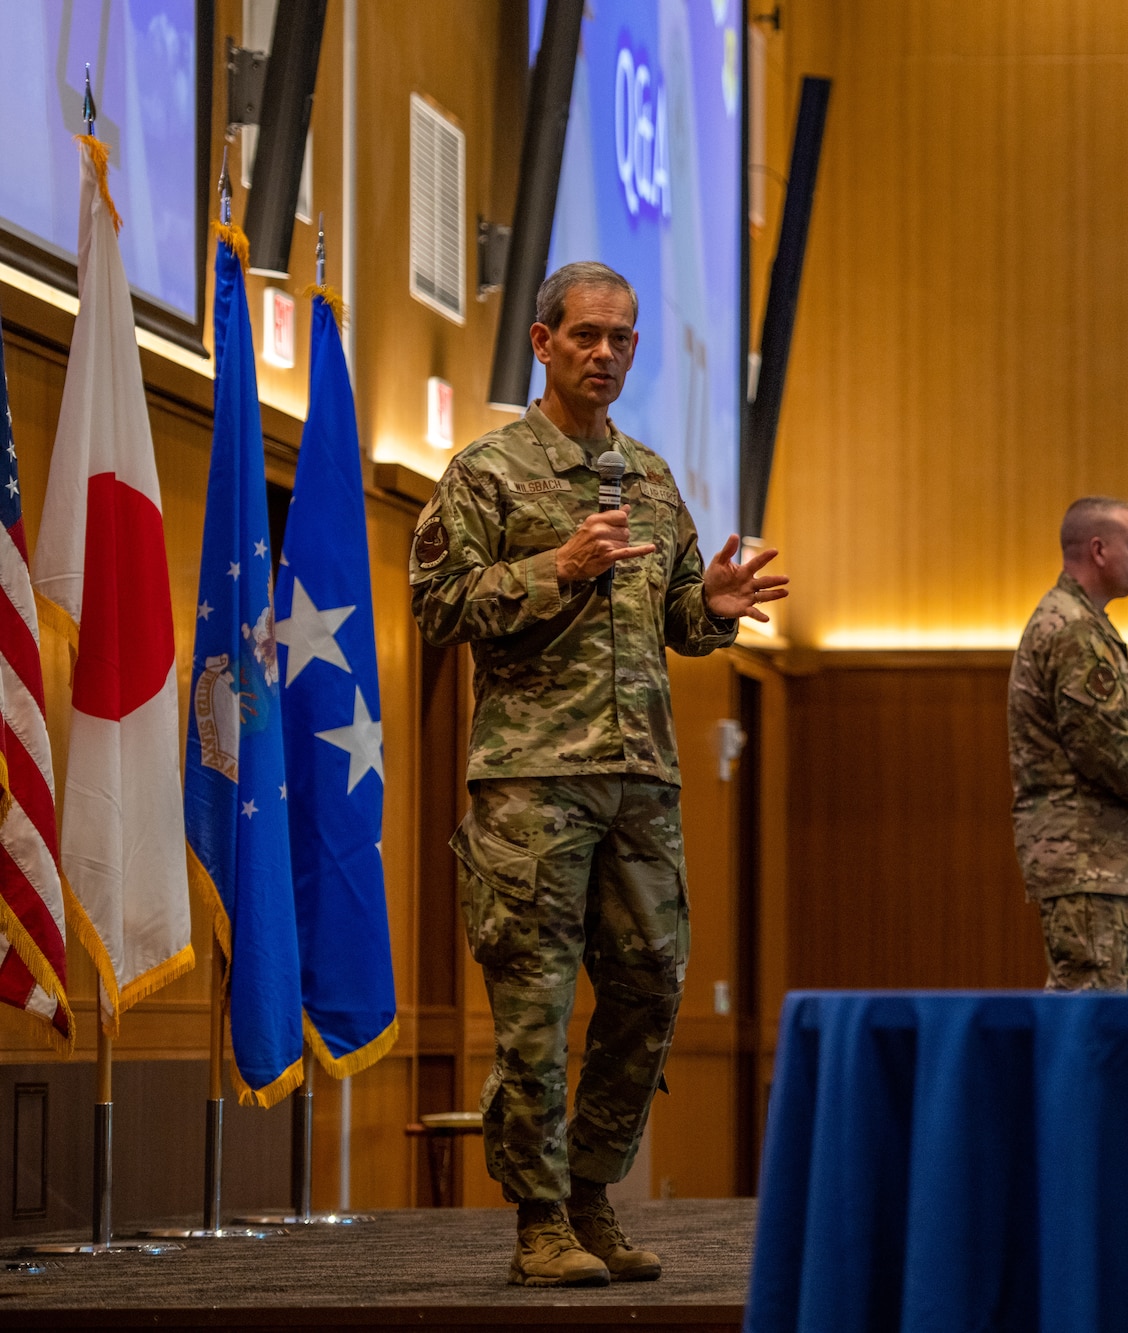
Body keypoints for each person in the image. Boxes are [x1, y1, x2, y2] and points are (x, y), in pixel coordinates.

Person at [409, 261, 788, 1287]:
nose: (606, 353)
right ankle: (538, 1220)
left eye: (622, 338)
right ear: (541, 342)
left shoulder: (655, 480)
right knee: (531, 1003)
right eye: (585, 335)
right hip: (531, 783)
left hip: (642, 783)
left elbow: (674, 626)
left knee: (650, 988)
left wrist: (708, 605)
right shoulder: (486, 472)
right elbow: (437, 609)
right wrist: (556, 568)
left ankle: (591, 1193)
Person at [1008, 497, 1128, 990]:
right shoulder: (1074, 630)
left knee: (1112, 1017)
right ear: (1099, 550)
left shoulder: (1085, 625)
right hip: (1087, 858)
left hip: (1102, 860)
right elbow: (1107, 748)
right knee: (1092, 1020)